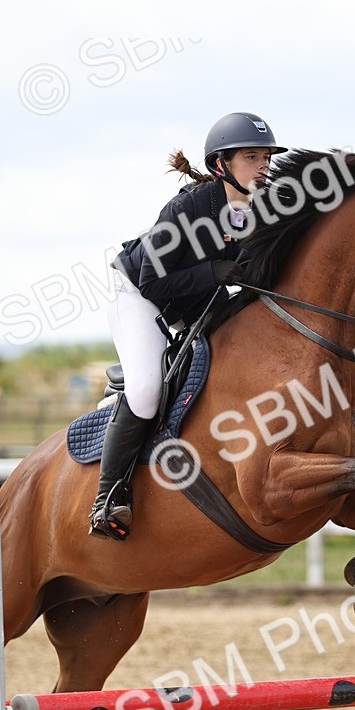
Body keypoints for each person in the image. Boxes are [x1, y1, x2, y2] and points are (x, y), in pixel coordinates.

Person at [89, 111, 286, 540]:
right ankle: (107, 499)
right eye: (251, 157)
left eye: (265, 157)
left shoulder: (262, 212)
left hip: (197, 297)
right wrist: (216, 271)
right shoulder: (190, 209)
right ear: (222, 166)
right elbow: (152, 281)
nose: (263, 166)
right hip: (138, 296)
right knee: (146, 389)